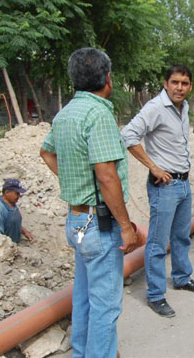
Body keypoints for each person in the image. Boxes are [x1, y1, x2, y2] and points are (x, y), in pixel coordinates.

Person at [40, 47, 137, 357]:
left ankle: (82, 352)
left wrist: (73, 181)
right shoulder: (99, 113)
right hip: (100, 224)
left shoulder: (65, 113)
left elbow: (46, 152)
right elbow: (107, 176)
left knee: (83, 296)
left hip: (77, 221)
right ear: (107, 78)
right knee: (106, 305)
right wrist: (126, 226)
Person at [121, 64, 194, 318]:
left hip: (182, 184)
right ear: (165, 84)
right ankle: (156, 295)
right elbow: (128, 135)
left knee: (181, 237)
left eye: (184, 83)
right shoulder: (155, 108)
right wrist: (154, 167)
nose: (179, 88)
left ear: (190, 86)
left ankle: (182, 277)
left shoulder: (184, 107)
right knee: (158, 243)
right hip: (164, 186)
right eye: (175, 83)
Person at [0, 179, 33, 243]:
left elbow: (12, 223)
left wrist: (25, 232)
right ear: (7, 192)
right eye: (16, 193)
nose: (19, 196)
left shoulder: (13, 205)